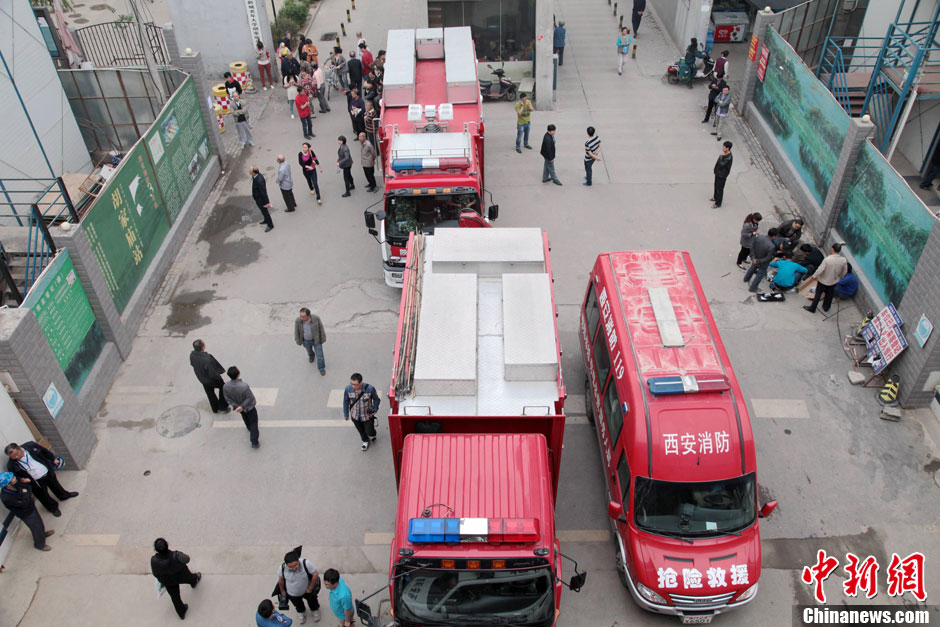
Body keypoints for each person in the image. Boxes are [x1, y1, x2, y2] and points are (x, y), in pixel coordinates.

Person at [5, 441, 77, 517]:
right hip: (35, 481)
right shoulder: (11, 464)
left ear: (19, 448)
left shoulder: (31, 446)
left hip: (47, 472)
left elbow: (45, 451)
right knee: (43, 495)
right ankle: (53, 508)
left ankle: (64, 495)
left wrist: (53, 459)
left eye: (17, 454)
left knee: (56, 485)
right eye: (13, 457)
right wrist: (22, 480)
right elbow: (15, 477)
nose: (16, 457)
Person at [151, 538, 201, 620]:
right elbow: (187, 559)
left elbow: (155, 574)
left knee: (175, 598)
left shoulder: (154, 560)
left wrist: (162, 579)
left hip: (168, 581)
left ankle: (181, 612)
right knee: (191, 578)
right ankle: (194, 581)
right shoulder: (176, 555)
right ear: (167, 545)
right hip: (181, 575)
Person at [0, 472, 53, 551]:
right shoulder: (6, 498)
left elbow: (28, 487)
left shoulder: (15, 484)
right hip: (26, 513)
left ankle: (43, 534)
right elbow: (23, 504)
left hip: (30, 507)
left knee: (39, 522)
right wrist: (25, 494)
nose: (15, 478)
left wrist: (26, 494)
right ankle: (39, 544)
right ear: (8, 485)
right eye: (12, 478)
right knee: (35, 527)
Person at [276, 549, 321, 624]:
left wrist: (310, 588)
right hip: (292, 593)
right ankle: (301, 612)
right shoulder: (282, 568)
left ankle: (315, 610)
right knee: (298, 605)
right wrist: (283, 592)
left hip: (307, 590)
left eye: (296, 565)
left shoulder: (306, 563)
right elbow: (281, 580)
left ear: (298, 560)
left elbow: (315, 574)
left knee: (312, 601)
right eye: (290, 567)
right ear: (286, 564)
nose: (294, 568)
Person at [803, 243, 849, 314]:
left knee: (818, 294)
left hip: (823, 280)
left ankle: (813, 308)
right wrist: (839, 278)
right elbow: (844, 271)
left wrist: (814, 276)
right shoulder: (843, 260)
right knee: (829, 294)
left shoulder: (827, 259)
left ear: (832, 249)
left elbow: (820, 270)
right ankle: (826, 307)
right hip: (833, 281)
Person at [223, 366, 261, 448]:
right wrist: (242, 406)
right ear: (238, 374)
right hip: (248, 408)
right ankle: (254, 441)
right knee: (254, 422)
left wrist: (236, 406)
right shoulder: (244, 386)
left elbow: (227, 398)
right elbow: (250, 398)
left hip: (239, 408)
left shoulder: (226, 386)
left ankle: (248, 427)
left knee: (244, 417)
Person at [189, 339, 230, 414]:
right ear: (203, 347)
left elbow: (192, 364)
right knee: (223, 388)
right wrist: (219, 378)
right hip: (211, 379)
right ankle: (223, 407)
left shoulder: (192, 355)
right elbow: (212, 374)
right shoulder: (207, 359)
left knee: (210, 393)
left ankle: (215, 408)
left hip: (202, 378)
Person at [343, 373, 380, 451]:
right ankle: (365, 441)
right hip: (355, 415)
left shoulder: (370, 389)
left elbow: (376, 399)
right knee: (361, 430)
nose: (353, 386)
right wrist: (346, 414)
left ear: (361, 382)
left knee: (370, 431)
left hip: (367, 416)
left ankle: (372, 435)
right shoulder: (348, 389)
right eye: (351, 384)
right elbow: (346, 402)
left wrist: (375, 409)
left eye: (355, 384)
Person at [294, 307, 327, 374]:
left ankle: (321, 368)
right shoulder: (298, 321)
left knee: (320, 355)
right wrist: (297, 340)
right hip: (306, 341)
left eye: (303, 316)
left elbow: (321, 328)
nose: (301, 318)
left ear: (308, 315)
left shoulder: (316, 318)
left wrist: (323, 338)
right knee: (309, 351)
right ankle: (311, 356)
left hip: (316, 340)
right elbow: (296, 331)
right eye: (300, 316)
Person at [743, 228, 776, 293]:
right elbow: (768, 257)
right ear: (774, 236)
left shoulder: (759, 237)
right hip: (762, 262)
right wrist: (758, 261)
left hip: (755, 257)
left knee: (752, 268)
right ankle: (753, 288)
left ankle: (746, 279)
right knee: (760, 275)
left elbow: (752, 247)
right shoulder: (772, 246)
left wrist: (753, 258)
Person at [250, 166, 274, 232]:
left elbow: (263, 192)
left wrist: (267, 202)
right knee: (263, 211)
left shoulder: (259, 180)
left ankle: (270, 225)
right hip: (258, 198)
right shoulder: (255, 177)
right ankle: (266, 220)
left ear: (254, 173)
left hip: (261, 199)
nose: (249, 172)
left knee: (265, 212)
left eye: (250, 171)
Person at [711, 140, 733, 208]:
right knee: (716, 186)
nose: (723, 148)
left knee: (719, 189)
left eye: (724, 147)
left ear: (727, 148)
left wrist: (721, 156)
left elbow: (721, 164)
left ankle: (718, 203)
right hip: (718, 173)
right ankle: (715, 197)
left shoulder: (728, 157)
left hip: (722, 175)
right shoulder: (725, 155)